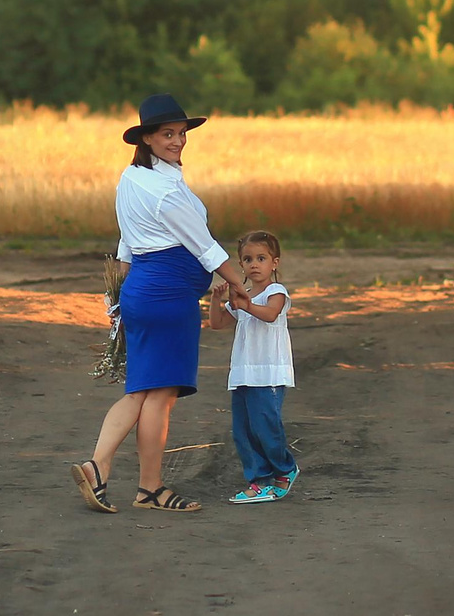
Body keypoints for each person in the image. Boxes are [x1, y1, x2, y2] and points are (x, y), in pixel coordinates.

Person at [71, 94, 234, 514]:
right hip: (167, 300)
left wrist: (119, 301)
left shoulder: (131, 180)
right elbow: (207, 250)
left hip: (142, 292)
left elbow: (126, 243)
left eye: (181, 134)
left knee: (141, 392)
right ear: (146, 138)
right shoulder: (164, 192)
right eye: (167, 134)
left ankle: (98, 466)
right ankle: (150, 489)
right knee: (159, 397)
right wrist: (245, 288)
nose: (178, 141)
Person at [219, 230, 297, 503]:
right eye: (248, 259)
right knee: (243, 429)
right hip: (243, 372)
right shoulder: (244, 295)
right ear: (240, 264)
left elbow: (269, 314)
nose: (254, 264)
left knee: (265, 424)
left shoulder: (276, 292)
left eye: (261, 258)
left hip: (268, 372)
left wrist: (245, 304)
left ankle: (285, 468)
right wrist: (217, 303)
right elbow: (217, 324)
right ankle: (258, 481)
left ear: (274, 262)